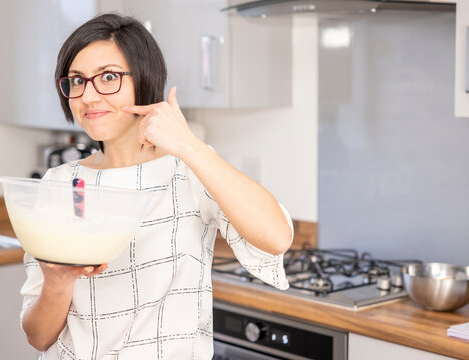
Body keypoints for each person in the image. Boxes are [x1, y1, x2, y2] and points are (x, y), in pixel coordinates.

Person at [20, 13, 293, 360]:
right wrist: (57, 285)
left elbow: (277, 237)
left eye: (108, 77)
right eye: (77, 81)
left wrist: (189, 145)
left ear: (144, 79)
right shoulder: (59, 184)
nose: (88, 96)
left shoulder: (188, 168)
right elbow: (38, 337)